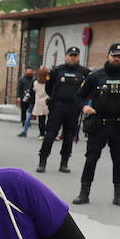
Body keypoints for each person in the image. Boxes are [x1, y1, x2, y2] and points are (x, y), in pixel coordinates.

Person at [72, 43, 120, 207]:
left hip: (119, 125)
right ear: (108, 56)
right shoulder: (96, 76)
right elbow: (78, 97)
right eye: (114, 55)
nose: (117, 58)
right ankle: (84, 193)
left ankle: (119, 195)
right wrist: (84, 107)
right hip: (99, 124)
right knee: (91, 159)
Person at [37, 46, 88, 174]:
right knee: (49, 135)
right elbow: (48, 88)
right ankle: (42, 162)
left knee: (69, 137)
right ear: (66, 56)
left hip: (73, 108)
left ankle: (64, 163)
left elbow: (87, 90)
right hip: (57, 107)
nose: (73, 57)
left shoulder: (83, 72)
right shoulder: (57, 70)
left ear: (78, 57)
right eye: (70, 55)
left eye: (75, 55)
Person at [20, 66, 48, 137]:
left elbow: (32, 91)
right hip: (45, 102)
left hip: (34, 101)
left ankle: (25, 131)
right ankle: (44, 133)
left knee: (29, 115)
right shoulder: (48, 82)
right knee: (44, 118)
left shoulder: (35, 81)